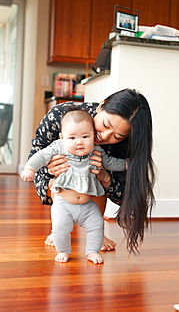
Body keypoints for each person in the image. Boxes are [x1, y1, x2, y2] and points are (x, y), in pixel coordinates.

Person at [29, 88, 155, 254]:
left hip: (91, 191)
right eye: (104, 125)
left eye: (117, 136)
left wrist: (105, 178)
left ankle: (97, 233)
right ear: (101, 106)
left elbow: (126, 196)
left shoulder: (125, 146)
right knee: (56, 186)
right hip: (61, 185)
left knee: (97, 179)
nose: (104, 136)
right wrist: (50, 167)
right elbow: (35, 156)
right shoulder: (63, 116)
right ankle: (57, 230)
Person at [20, 110, 126, 264]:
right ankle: (63, 251)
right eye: (72, 137)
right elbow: (41, 156)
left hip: (88, 205)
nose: (79, 142)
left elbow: (111, 162)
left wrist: (126, 164)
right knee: (60, 228)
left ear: (93, 136)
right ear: (62, 138)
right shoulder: (58, 147)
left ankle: (92, 251)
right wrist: (30, 169)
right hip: (63, 204)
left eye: (85, 136)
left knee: (97, 226)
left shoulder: (96, 151)